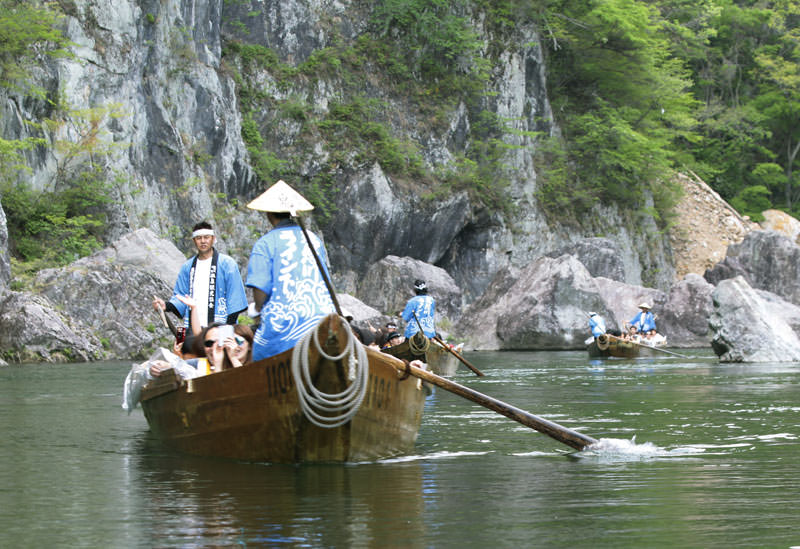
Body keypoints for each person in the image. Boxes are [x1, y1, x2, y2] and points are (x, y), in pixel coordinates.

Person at [244, 180, 335, 361]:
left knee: (259, 351)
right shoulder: (313, 239)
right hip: (325, 319)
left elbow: (260, 291)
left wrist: (259, 309)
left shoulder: (265, 243)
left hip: (286, 324)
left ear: (269, 214)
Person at [152, 221, 248, 334]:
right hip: (192, 328)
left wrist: (229, 330)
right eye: (199, 238)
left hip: (220, 328)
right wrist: (165, 306)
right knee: (186, 351)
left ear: (213, 239)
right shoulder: (187, 267)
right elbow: (181, 296)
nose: (203, 241)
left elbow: (235, 298)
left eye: (206, 237)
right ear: (194, 241)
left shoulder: (227, 264)